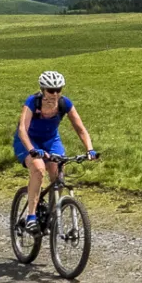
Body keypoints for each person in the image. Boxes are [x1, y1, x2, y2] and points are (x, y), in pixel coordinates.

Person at [14, 70, 97, 232]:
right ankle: (31, 216)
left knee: (58, 172)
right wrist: (32, 150)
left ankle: (52, 213)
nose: (55, 94)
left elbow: (80, 129)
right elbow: (22, 130)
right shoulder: (32, 102)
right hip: (28, 140)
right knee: (38, 169)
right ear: (43, 90)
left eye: (59, 90)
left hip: (51, 140)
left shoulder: (64, 104)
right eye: (51, 90)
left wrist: (90, 149)